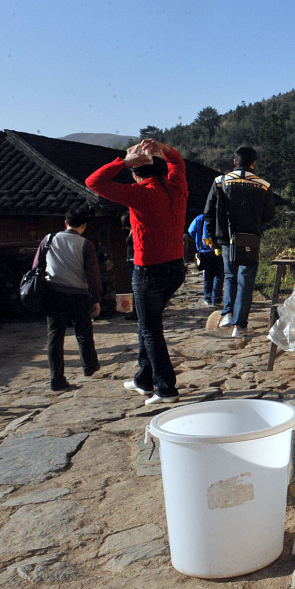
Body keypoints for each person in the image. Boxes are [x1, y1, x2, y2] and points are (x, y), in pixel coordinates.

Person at [86, 139, 188, 405]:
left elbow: (93, 183)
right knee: (147, 324)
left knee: (151, 329)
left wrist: (122, 161)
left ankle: (166, 388)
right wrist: (164, 148)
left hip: (149, 271)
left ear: (135, 173)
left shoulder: (139, 193)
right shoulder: (176, 187)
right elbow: (177, 161)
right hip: (176, 267)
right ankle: (144, 378)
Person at [203, 146, 275, 338]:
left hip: (226, 239)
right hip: (250, 239)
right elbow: (269, 215)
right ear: (253, 163)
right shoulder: (263, 185)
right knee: (246, 281)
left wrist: (210, 236)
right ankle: (239, 326)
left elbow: (208, 212)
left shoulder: (220, 181)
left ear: (235, 162)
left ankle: (227, 314)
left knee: (230, 276)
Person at [34, 208, 101, 391]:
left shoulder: (48, 239)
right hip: (78, 294)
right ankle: (89, 367)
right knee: (83, 332)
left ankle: (56, 379)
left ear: (65, 222)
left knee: (55, 336)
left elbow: (37, 266)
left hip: (53, 293)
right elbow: (92, 275)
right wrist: (96, 299)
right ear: (84, 226)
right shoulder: (86, 245)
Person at [187, 212, 223, 307]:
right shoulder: (220, 216)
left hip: (204, 251)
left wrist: (198, 239)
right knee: (218, 275)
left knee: (207, 275)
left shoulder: (200, 218)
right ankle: (216, 298)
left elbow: (191, 230)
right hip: (218, 249)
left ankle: (208, 298)